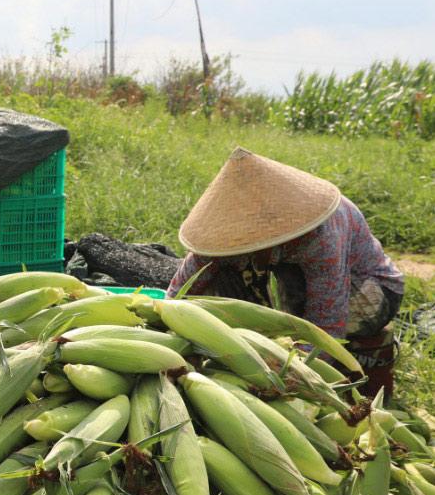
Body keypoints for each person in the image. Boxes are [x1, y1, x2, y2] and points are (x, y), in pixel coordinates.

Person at [168, 147, 405, 396]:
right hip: (293, 295)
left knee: (284, 281)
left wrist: (291, 381)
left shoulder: (317, 236)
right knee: (210, 288)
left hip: (368, 295)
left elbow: (326, 324)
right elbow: (181, 291)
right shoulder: (222, 234)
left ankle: (299, 361)